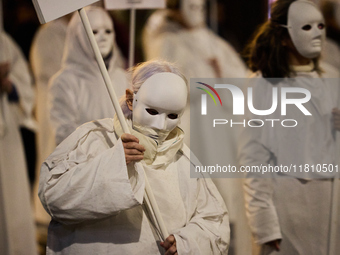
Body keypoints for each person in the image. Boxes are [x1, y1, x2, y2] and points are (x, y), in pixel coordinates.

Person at [39, 60, 230, 254]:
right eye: (152, 111)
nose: (161, 126)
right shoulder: (95, 138)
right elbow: (53, 196)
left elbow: (214, 223)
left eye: (172, 116)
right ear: (131, 100)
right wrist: (113, 163)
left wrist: (186, 243)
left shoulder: (184, 160)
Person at [143, 2, 250, 254]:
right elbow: (169, 82)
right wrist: (212, 82)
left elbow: (241, 81)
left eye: (200, 5)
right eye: (190, 4)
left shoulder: (215, 40)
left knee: (226, 194)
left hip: (222, 132)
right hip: (193, 128)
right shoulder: (167, 39)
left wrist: (218, 81)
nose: (196, 10)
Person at [240, 0, 340, 254]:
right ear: (283, 36)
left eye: (320, 25)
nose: (317, 32)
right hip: (289, 212)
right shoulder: (262, 85)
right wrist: (264, 223)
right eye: (307, 27)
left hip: (330, 209)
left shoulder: (331, 77)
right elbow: (253, 159)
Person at [48, 6, 128, 146]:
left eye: (108, 31)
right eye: (94, 32)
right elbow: (65, 135)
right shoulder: (64, 82)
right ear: (78, 35)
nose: (103, 37)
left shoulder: (123, 78)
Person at [0, 31, 37, 255]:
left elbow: (23, 82)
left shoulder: (3, 41)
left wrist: (8, 84)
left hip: (7, 138)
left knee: (12, 199)